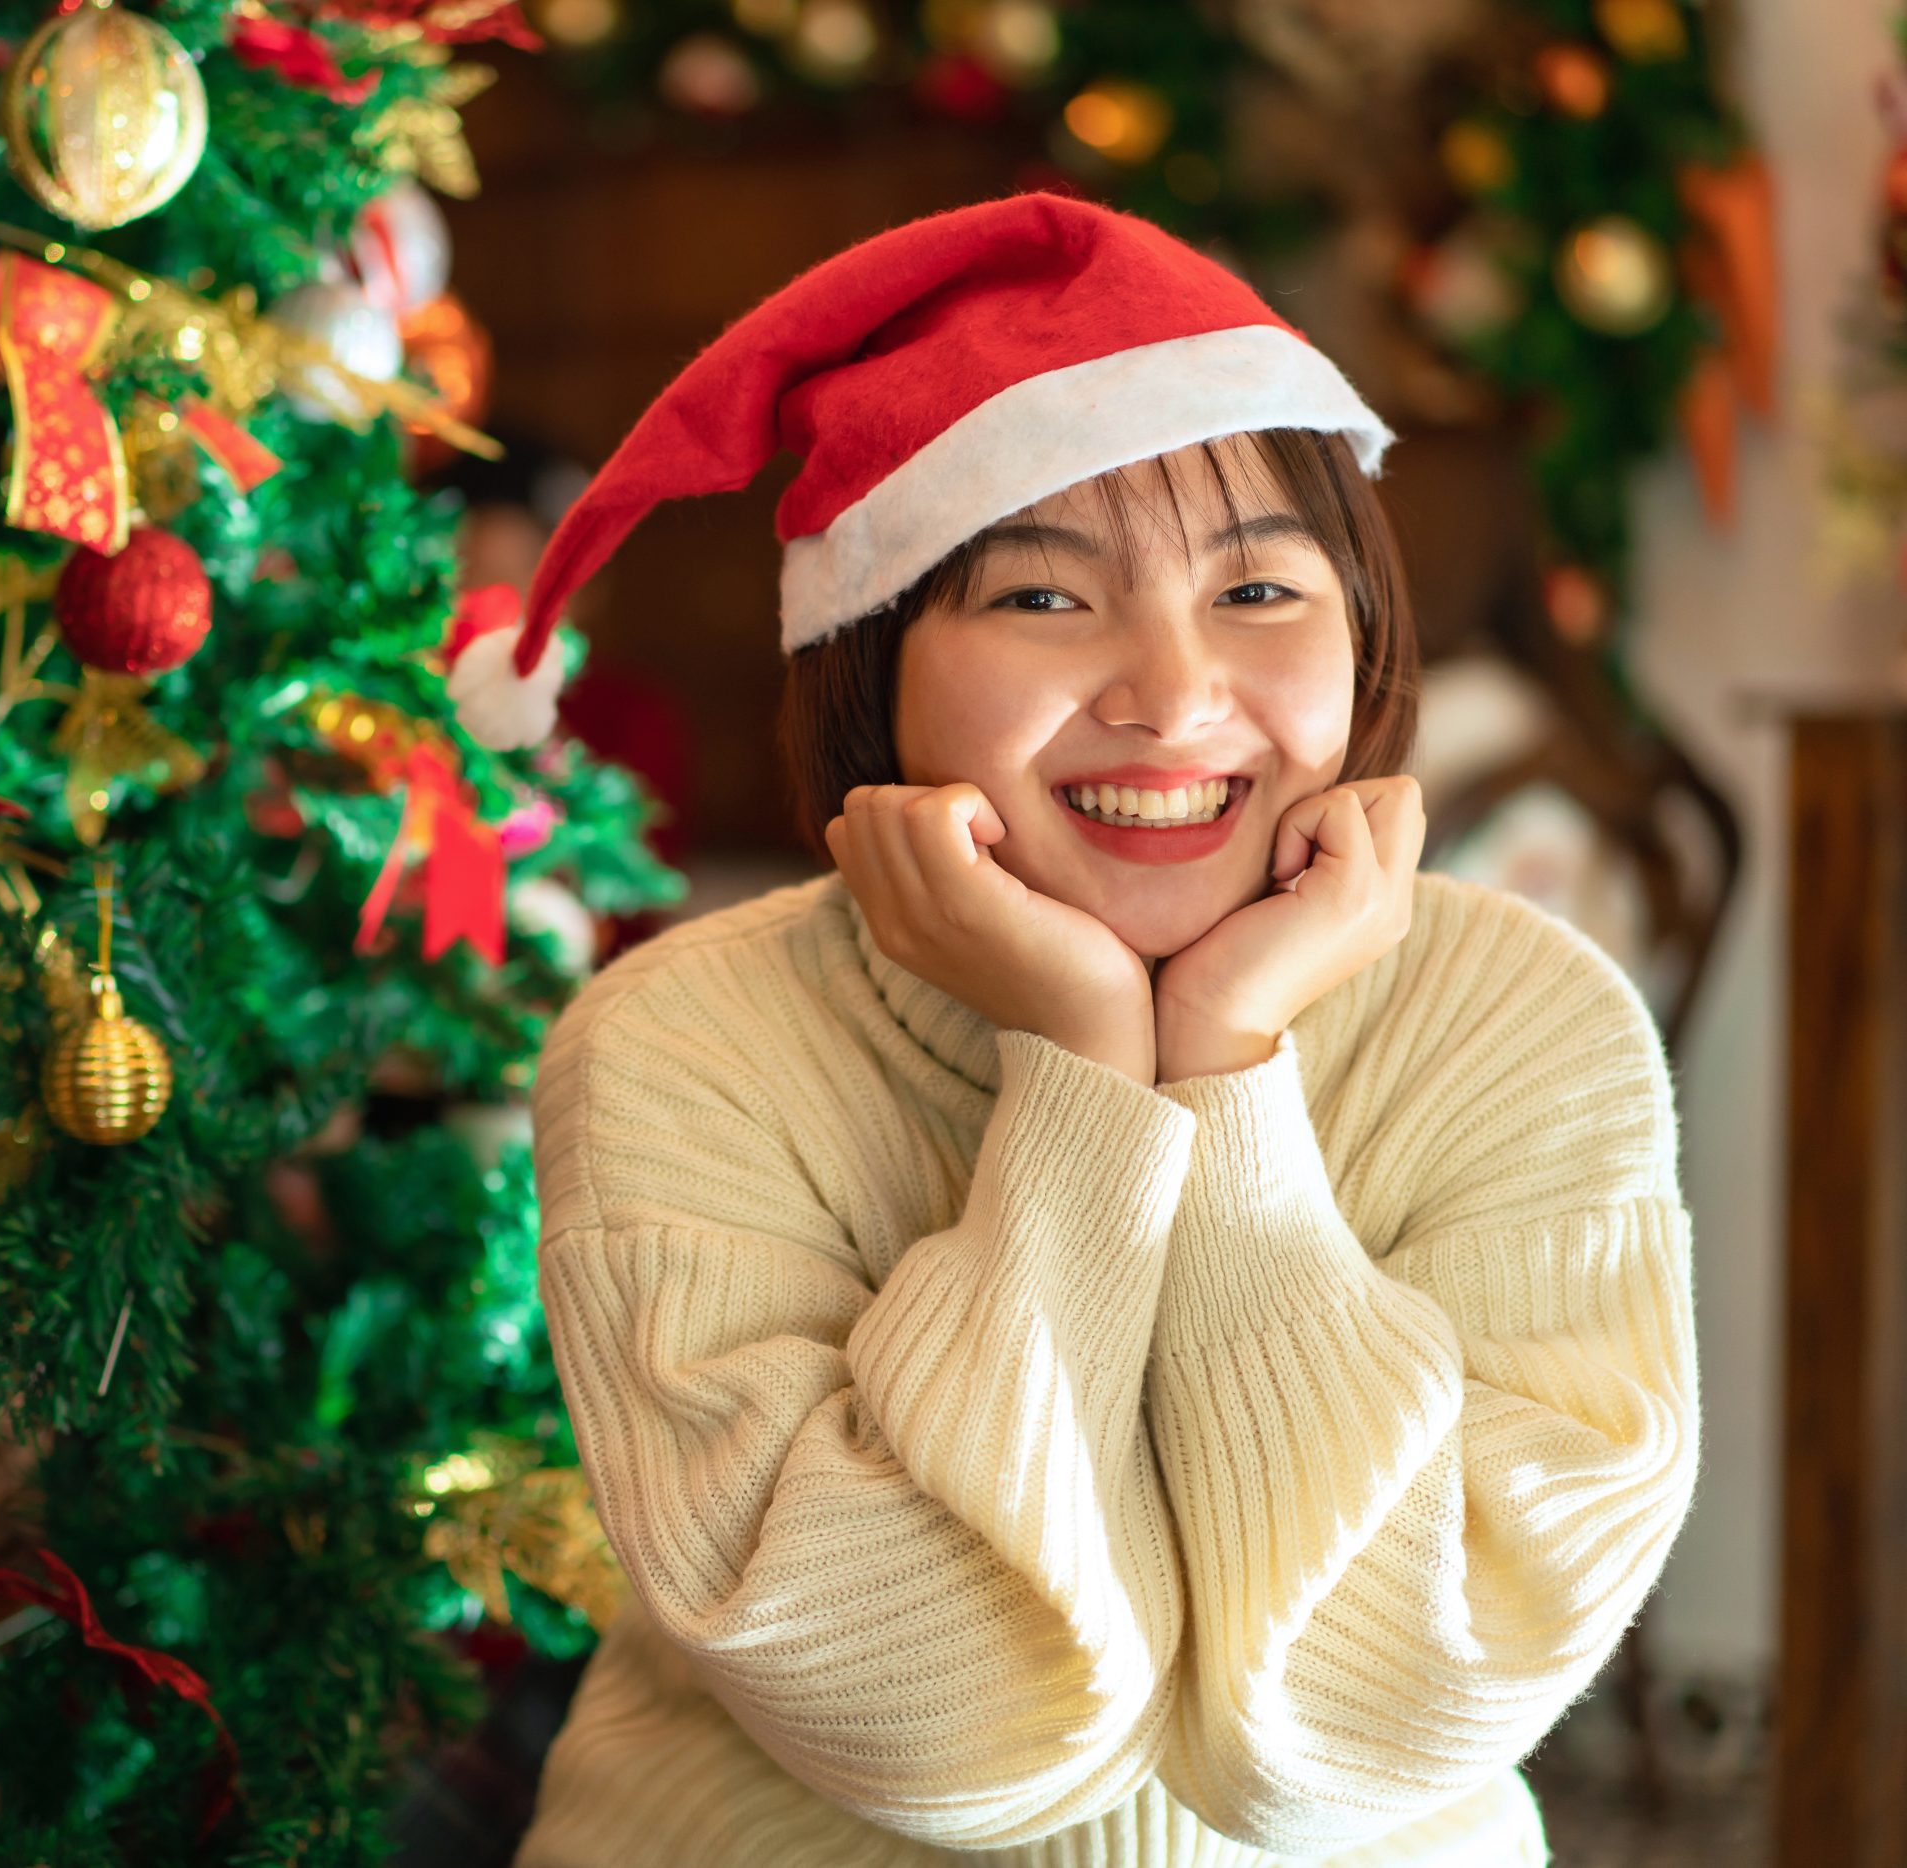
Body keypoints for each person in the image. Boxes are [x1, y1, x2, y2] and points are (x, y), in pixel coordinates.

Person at [504, 192, 1699, 1866]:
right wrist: (1079, 1069)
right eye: (1043, 602)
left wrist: (1225, 1069)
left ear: (1364, 641)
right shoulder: (682, 1047)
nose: (1174, 693)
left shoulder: (1522, 1020)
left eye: (1262, 593)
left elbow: (1379, 1726)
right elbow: (954, 1731)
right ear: (875, 659)